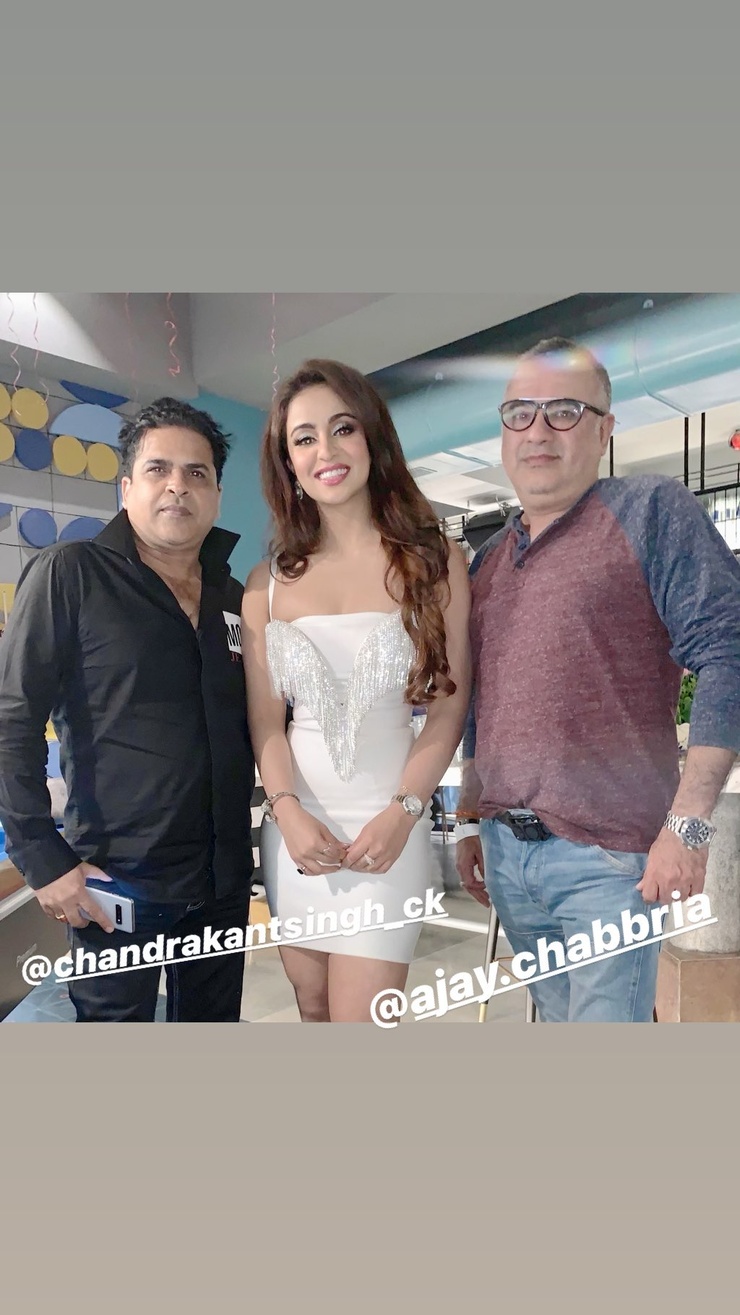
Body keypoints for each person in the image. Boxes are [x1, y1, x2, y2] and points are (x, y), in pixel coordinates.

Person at [456, 337, 740, 1023]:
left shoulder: (651, 511)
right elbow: (479, 698)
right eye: (520, 413)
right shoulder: (488, 561)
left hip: (608, 861)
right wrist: (469, 816)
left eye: (563, 411)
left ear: (604, 428)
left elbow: (728, 650)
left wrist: (689, 825)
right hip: (507, 852)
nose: (538, 431)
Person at [0, 397, 255, 1022]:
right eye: (157, 469)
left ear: (217, 494)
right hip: (114, 880)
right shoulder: (70, 574)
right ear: (126, 487)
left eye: (196, 473)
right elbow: (12, 721)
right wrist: (43, 861)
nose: (177, 486)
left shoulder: (234, 596)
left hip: (222, 877)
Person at [242, 359, 470, 1022]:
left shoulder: (435, 561)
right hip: (295, 830)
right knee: (312, 1008)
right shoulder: (266, 583)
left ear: (372, 436)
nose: (327, 451)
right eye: (304, 438)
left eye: (342, 428)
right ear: (288, 462)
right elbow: (267, 723)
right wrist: (287, 812)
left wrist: (404, 811)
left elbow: (449, 707)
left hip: (390, 825)